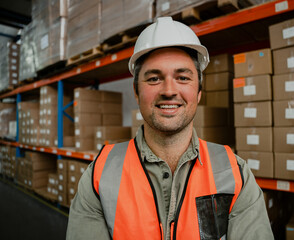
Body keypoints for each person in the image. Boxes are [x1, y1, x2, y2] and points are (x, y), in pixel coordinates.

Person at [66, 17, 274, 240]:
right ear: (136, 92)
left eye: (182, 77)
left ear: (199, 92)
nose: (169, 90)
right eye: (154, 78)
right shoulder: (100, 174)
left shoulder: (235, 174)